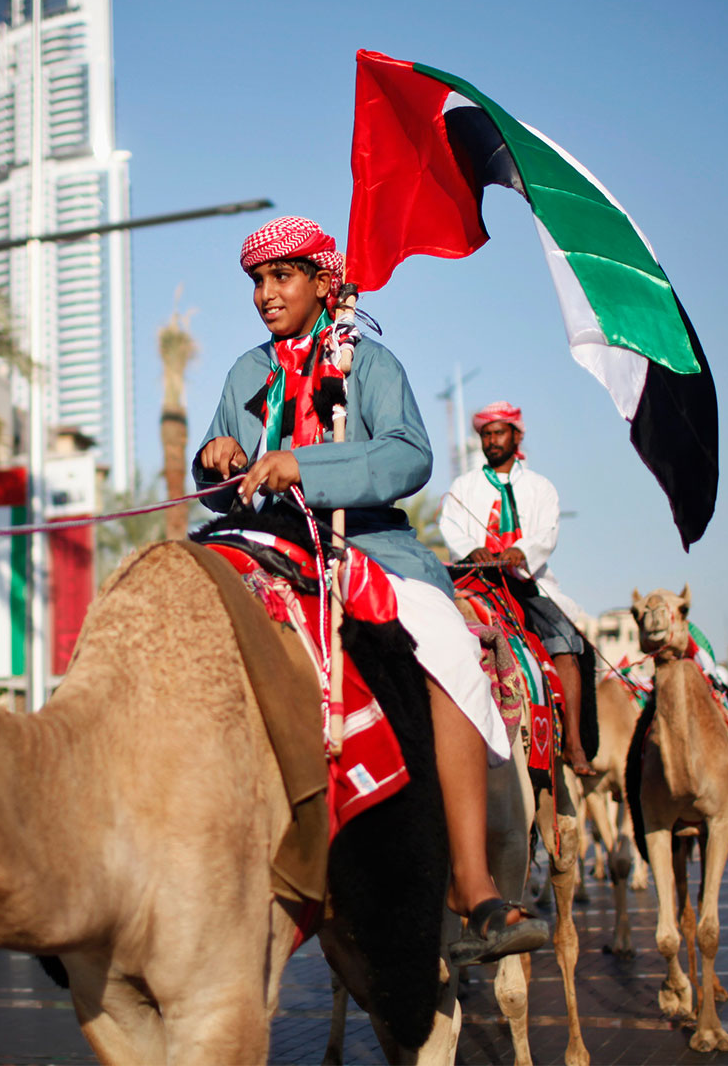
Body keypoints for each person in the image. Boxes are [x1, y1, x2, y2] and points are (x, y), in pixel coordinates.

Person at [193, 215, 548, 967]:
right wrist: (215, 458)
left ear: (324, 282)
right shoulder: (243, 375)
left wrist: (304, 468)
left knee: (448, 644)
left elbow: (408, 454)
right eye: (257, 281)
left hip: (370, 546)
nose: (264, 294)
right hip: (265, 542)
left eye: (281, 277)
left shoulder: (370, 364)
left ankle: (474, 885)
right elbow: (220, 487)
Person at [439, 401, 596, 774]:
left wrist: (519, 552)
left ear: (516, 436)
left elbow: (547, 533)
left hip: (527, 582)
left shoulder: (541, 488)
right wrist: (471, 549)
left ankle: (573, 744)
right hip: (475, 580)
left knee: (564, 641)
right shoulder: (463, 487)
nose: (492, 441)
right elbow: (450, 526)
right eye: (486, 435)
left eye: (499, 433)